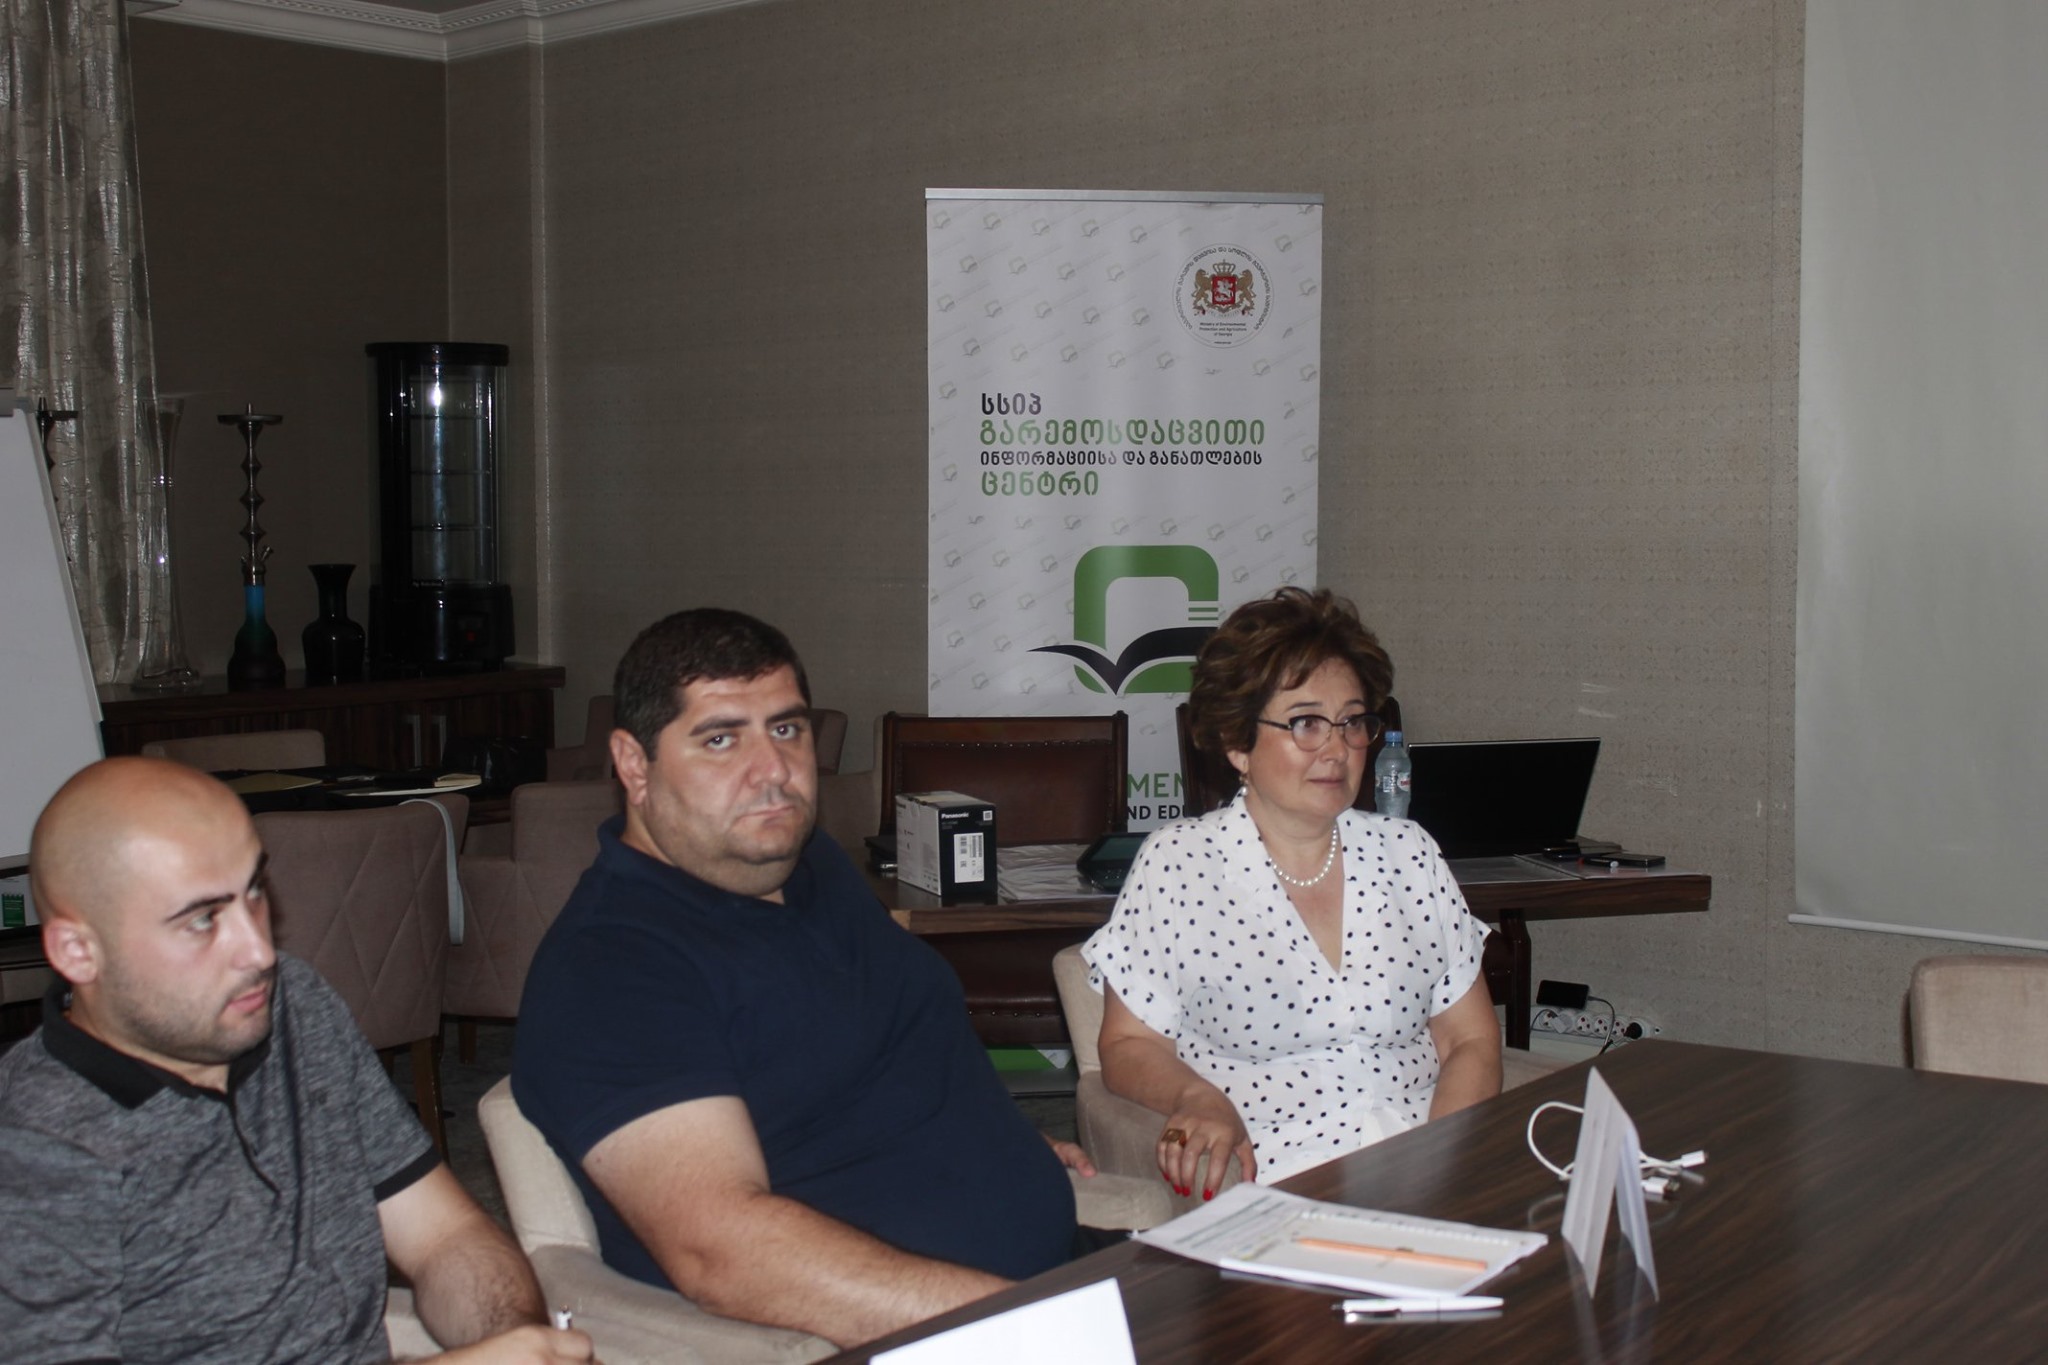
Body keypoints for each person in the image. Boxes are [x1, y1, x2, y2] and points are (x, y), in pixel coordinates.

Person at [512, 608, 1093, 1350]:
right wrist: (1038, 1332)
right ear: (633, 763)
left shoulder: (805, 863)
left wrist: (995, 1139)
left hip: (1051, 1280)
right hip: (927, 1339)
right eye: (720, 739)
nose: (773, 772)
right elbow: (721, 1250)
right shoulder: (612, 968)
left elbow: (881, 1038)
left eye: (786, 729)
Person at [0, 757, 594, 1365]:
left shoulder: (294, 1007)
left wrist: (517, 1339)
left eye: (254, 892)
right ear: (77, 951)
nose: (259, 952)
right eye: (202, 920)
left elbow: (444, 1237)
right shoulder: (37, 1147)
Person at [1084, 586, 1502, 1198]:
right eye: (1306, 723)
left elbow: (1470, 1039)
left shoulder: (1408, 853)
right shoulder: (1180, 864)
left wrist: (1443, 1164)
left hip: (1428, 1161)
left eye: (1352, 722)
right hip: (1280, 1175)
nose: (1336, 748)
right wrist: (1196, 1096)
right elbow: (1128, 1043)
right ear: (1237, 743)